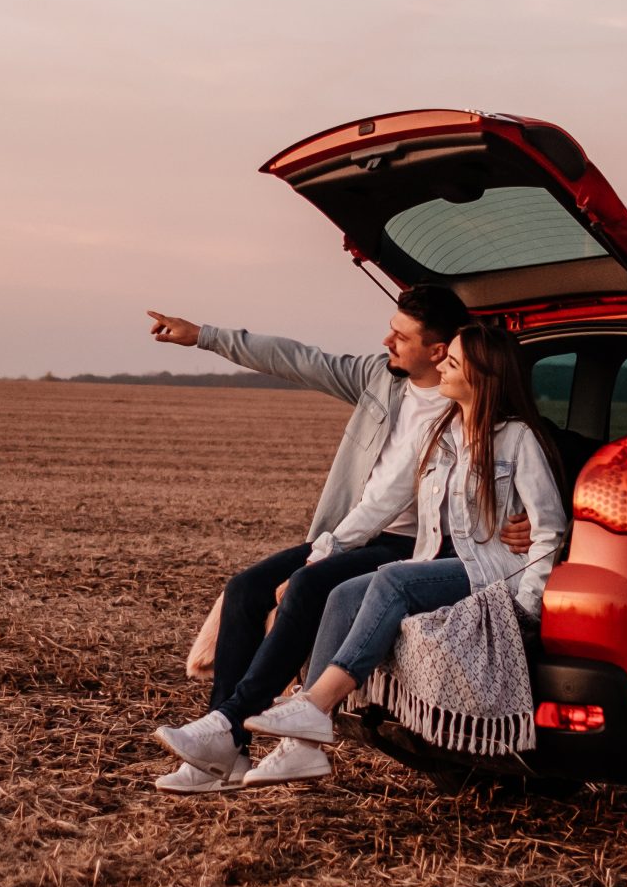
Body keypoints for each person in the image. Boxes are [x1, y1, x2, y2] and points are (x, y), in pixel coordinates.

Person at [144, 287, 530, 792]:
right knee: (244, 589)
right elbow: (299, 359)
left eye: (402, 335)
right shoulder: (380, 376)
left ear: (440, 352)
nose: (386, 339)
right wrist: (204, 337)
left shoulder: (465, 411)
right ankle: (225, 751)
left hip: (410, 545)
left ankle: (234, 726)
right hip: (357, 530)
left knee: (307, 588)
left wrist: (523, 519)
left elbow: (528, 460)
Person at [235, 320, 571, 785]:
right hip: (441, 561)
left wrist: (527, 608)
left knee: (392, 580)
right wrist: (322, 553)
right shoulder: (440, 432)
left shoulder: (517, 439)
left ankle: (315, 705)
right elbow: (380, 504)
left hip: (497, 573)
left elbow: (548, 529)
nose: (442, 366)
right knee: (344, 593)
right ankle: (302, 748)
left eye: (452, 362)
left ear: (481, 376)